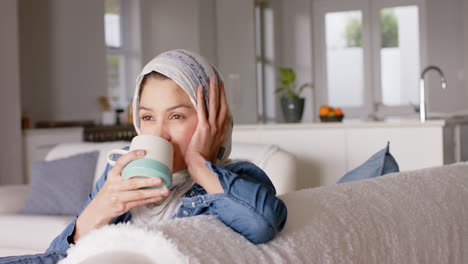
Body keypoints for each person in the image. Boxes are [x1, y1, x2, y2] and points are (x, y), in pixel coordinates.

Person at [0, 49, 287, 263]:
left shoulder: (237, 179)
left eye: (176, 116)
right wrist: (102, 206)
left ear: (213, 118)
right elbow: (60, 257)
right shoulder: (121, 173)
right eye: (147, 117)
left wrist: (201, 164)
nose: (158, 133)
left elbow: (262, 225)